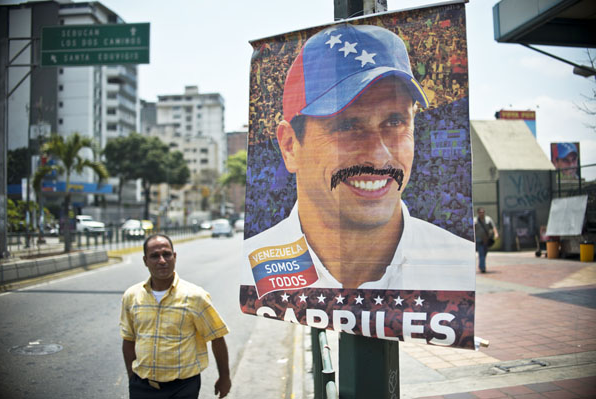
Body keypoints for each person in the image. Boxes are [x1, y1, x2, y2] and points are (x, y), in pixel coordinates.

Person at [243, 23, 475, 293]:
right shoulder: (254, 269)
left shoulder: (457, 265)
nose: (378, 156)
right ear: (290, 146)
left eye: (395, 121)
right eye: (347, 126)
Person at [120, 234, 231, 398]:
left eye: (166, 254)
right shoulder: (132, 296)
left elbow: (217, 337)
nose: (162, 260)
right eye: (154, 256)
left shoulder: (195, 297)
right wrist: (132, 379)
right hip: (142, 386)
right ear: (145, 261)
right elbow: (129, 340)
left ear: (175, 256)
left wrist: (224, 377)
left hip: (183, 388)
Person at [474, 208, 499, 273]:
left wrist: (496, 233)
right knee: (481, 253)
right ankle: (483, 268)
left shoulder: (488, 219)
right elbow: (472, 229)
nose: (481, 213)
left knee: (484, 253)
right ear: (478, 213)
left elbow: (493, 227)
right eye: (480, 212)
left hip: (486, 239)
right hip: (479, 239)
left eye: (483, 212)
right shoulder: (475, 220)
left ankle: (481, 265)